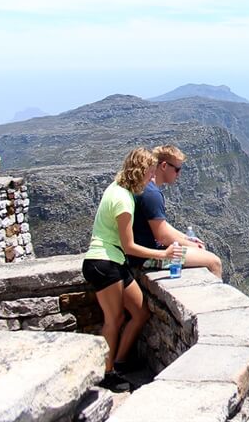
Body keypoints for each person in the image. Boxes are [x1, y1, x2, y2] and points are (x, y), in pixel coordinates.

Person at [82, 147, 180, 390]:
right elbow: (129, 245)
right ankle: (106, 374)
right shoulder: (124, 200)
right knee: (113, 320)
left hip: (113, 263)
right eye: (148, 173)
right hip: (105, 263)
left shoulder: (115, 187)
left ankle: (120, 361)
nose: (150, 179)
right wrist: (163, 254)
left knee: (140, 311)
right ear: (139, 172)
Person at [129, 145, 223, 279]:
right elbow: (162, 236)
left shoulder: (147, 188)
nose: (179, 174)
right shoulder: (152, 194)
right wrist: (194, 247)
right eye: (177, 169)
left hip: (140, 255)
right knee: (214, 262)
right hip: (147, 258)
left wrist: (186, 239)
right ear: (164, 166)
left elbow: (161, 224)